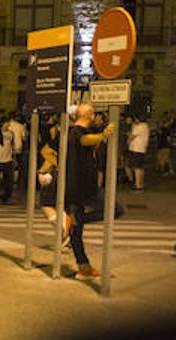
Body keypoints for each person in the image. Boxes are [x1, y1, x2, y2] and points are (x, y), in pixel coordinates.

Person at [66, 102, 116, 279]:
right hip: (79, 187)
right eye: (93, 114)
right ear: (88, 115)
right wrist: (103, 135)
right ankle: (84, 267)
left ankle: (84, 267)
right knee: (115, 210)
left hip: (81, 186)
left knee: (76, 230)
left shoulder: (82, 131)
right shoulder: (76, 131)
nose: (95, 117)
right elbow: (84, 141)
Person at [126, 113, 150, 191]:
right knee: (140, 167)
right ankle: (141, 184)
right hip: (142, 149)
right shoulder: (146, 126)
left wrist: (128, 141)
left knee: (136, 167)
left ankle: (137, 185)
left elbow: (132, 136)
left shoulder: (139, 126)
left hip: (136, 149)